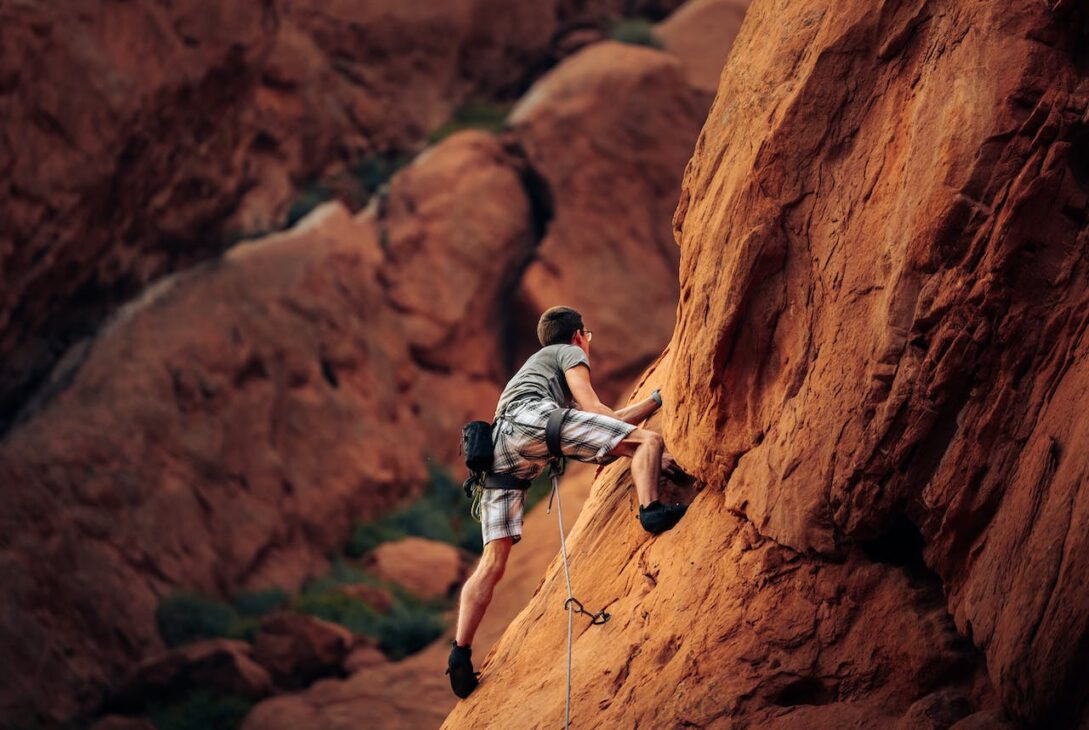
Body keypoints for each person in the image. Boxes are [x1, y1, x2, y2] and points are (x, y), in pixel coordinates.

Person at [446, 305, 688, 698]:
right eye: (586, 337)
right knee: (649, 442)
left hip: (502, 451)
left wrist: (654, 401)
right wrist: (648, 439)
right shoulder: (568, 353)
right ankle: (652, 511)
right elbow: (595, 411)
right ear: (577, 335)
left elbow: (597, 425)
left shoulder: (534, 371)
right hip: (537, 423)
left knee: (493, 562)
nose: (587, 344)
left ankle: (459, 654)